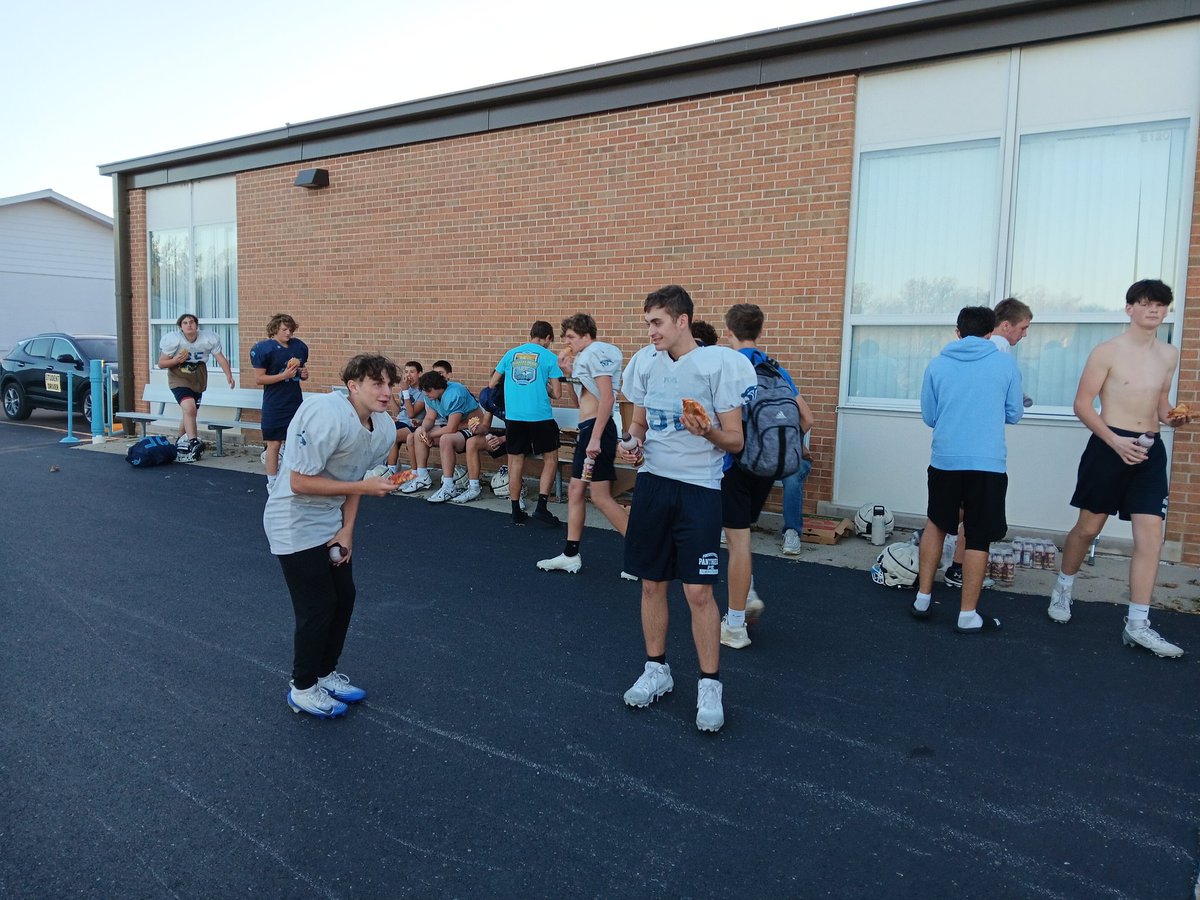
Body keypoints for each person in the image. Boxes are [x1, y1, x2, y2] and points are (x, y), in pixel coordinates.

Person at [619, 285, 756, 733]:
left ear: (682, 321)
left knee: (698, 592)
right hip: (654, 485)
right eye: (647, 324)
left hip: (699, 489)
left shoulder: (720, 364)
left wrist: (707, 433)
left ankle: (709, 685)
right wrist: (633, 445)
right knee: (651, 584)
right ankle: (656, 669)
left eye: (657, 322)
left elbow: (734, 439)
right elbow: (638, 422)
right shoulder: (644, 362)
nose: (650, 332)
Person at [1047, 279, 1191, 658]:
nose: (1153, 311)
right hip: (1110, 446)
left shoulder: (1168, 354)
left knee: (1151, 537)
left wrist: (1172, 418)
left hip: (1149, 451)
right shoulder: (1107, 351)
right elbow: (1082, 404)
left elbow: (1161, 402)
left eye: (1160, 305)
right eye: (1146, 304)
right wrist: (1114, 441)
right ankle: (1064, 585)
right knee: (1088, 528)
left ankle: (1138, 624)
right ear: (1130, 309)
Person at [263, 354, 399, 718]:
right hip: (293, 518)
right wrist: (365, 488)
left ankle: (324, 673)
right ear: (353, 386)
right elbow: (299, 481)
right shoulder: (326, 411)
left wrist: (346, 530)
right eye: (377, 383)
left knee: (344, 597)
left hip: (330, 518)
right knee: (317, 606)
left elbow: (357, 480)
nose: (386, 392)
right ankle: (303, 687)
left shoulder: (383, 426)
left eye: (390, 384)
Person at [911, 306, 1023, 633]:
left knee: (936, 524)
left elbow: (930, 417)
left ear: (957, 331)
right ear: (991, 333)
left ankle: (922, 597)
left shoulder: (937, 364)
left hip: (945, 459)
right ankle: (967, 614)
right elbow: (1014, 413)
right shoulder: (1005, 364)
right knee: (978, 536)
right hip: (987, 463)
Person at [718, 303, 811, 650]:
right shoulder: (775, 368)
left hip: (735, 465)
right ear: (759, 331)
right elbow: (807, 419)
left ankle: (736, 622)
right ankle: (746, 593)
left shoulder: (729, 367)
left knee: (737, 543)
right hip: (767, 466)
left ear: (728, 331)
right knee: (741, 540)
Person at [944, 296, 1034, 587]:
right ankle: (959, 570)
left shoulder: (950, 356)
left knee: (946, 514)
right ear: (1004, 326)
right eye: (1023, 327)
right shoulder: (999, 350)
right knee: (974, 517)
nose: (1024, 334)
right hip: (981, 453)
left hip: (950, 449)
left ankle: (938, 573)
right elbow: (1012, 412)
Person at [536, 314, 632, 577]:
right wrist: (567, 373)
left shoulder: (595, 353)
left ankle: (640, 554)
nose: (567, 342)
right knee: (577, 490)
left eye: (571, 337)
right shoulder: (583, 361)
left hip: (597, 431)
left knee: (600, 497)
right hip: (589, 428)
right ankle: (570, 554)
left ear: (586, 336)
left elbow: (608, 398)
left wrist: (597, 438)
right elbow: (582, 403)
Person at [489, 321, 564, 526]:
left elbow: (492, 382)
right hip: (540, 416)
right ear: (548, 338)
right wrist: (545, 387)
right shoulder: (550, 357)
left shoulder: (511, 354)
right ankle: (541, 508)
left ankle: (515, 510)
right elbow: (557, 393)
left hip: (514, 417)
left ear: (531, 335)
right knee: (550, 459)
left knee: (515, 462)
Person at [156, 313, 235, 458]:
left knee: (190, 412)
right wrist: (176, 360)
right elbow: (161, 363)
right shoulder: (174, 340)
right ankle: (193, 441)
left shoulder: (207, 338)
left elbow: (220, 358)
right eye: (185, 323)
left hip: (198, 374)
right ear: (181, 327)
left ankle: (180, 442)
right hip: (178, 374)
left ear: (197, 325)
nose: (189, 325)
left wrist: (228, 375)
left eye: (191, 322)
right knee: (189, 408)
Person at [250, 314, 309, 489]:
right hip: (274, 402)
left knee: (296, 441)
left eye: (291, 329)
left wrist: (303, 374)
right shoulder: (264, 349)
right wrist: (283, 376)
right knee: (274, 443)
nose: (288, 333)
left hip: (294, 400)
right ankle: (272, 481)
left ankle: (292, 477)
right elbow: (259, 379)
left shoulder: (299, 347)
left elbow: (302, 371)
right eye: (284, 329)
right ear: (275, 329)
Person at [402, 370, 479, 502]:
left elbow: (452, 428)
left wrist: (430, 435)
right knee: (418, 433)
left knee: (445, 439)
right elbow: (430, 417)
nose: (426, 394)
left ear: (438, 387)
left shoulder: (455, 393)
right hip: (454, 425)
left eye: (428, 391)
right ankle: (422, 476)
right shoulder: (431, 395)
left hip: (472, 426)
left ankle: (449, 486)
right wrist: (424, 430)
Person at [386, 360, 425, 470]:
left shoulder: (422, 392)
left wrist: (405, 391)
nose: (408, 375)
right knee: (382, 431)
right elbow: (398, 412)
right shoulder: (405, 389)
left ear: (419, 374)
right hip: (401, 422)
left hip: (413, 425)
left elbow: (411, 414)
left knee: (392, 436)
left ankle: (391, 470)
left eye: (412, 372)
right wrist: (390, 396)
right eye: (406, 372)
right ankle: (387, 465)